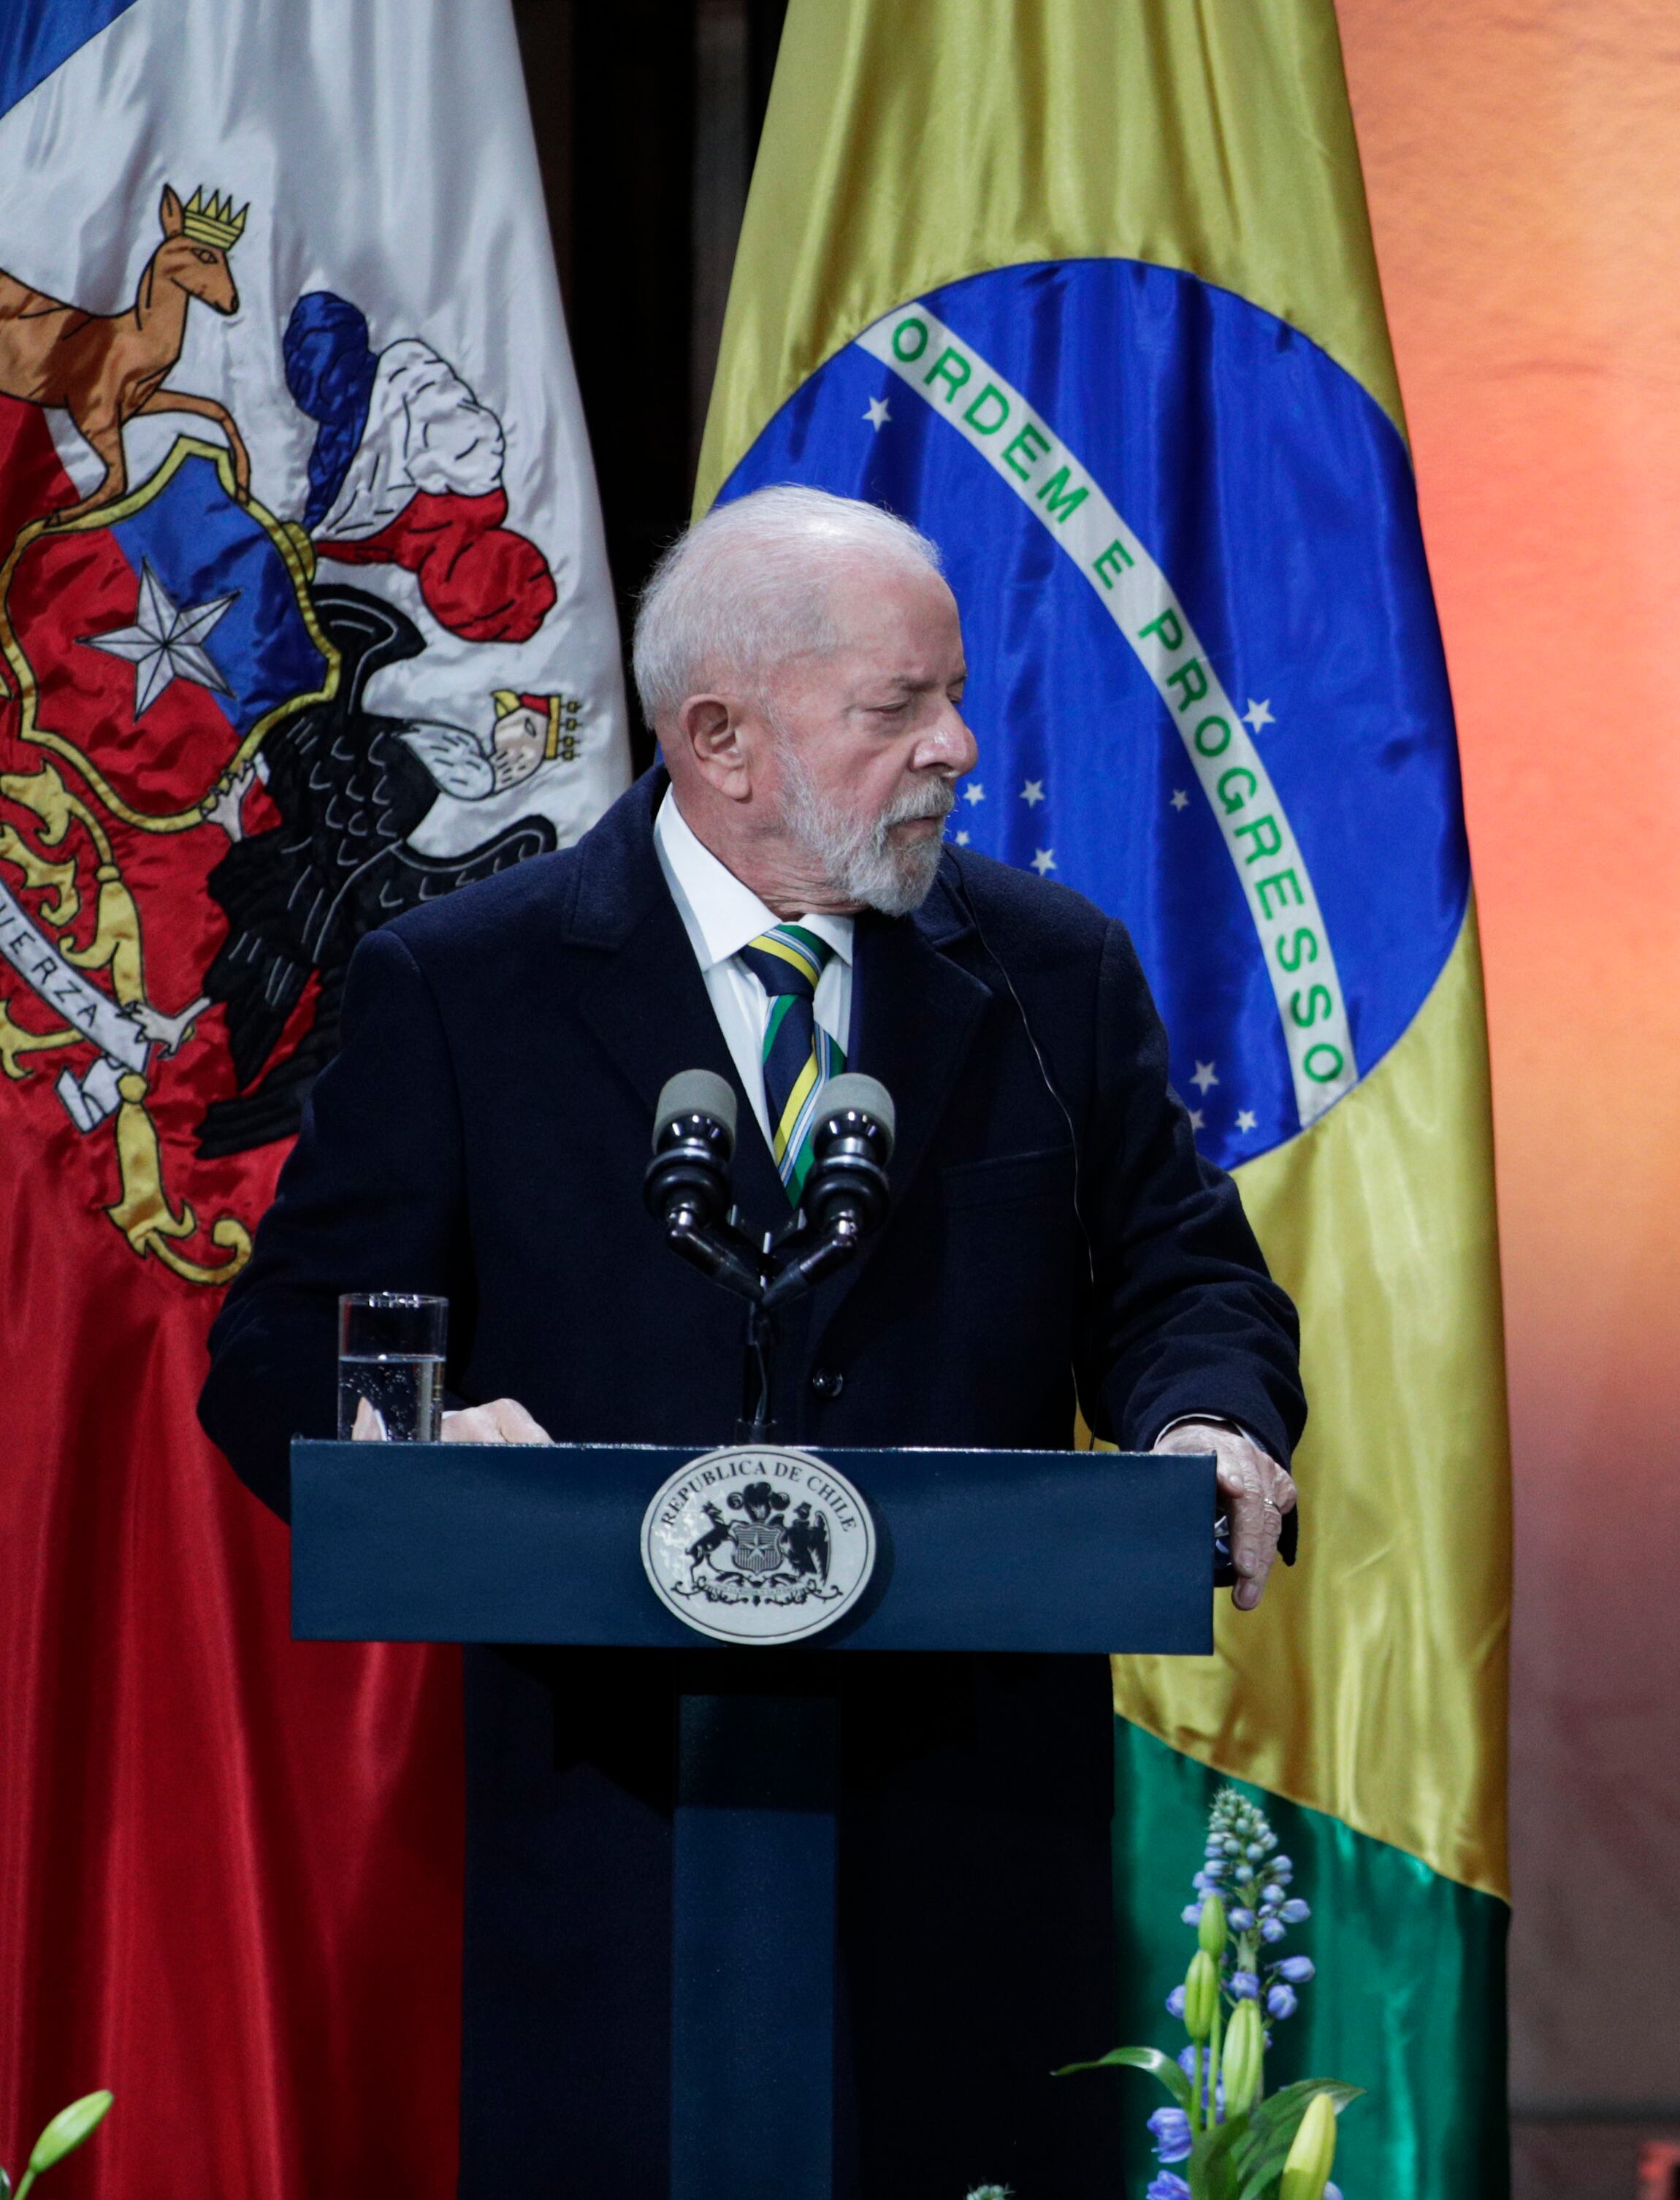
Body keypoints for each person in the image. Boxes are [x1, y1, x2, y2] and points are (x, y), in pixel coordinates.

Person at [199, 484, 1304, 2197]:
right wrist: (412, 1441)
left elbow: (1182, 1281)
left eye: (950, 696)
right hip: (615, 1824)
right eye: (897, 707)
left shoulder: (1050, 972)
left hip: (973, 1820)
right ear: (718, 734)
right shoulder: (466, 983)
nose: (957, 745)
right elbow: (279, 1341)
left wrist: (1206, 1421)